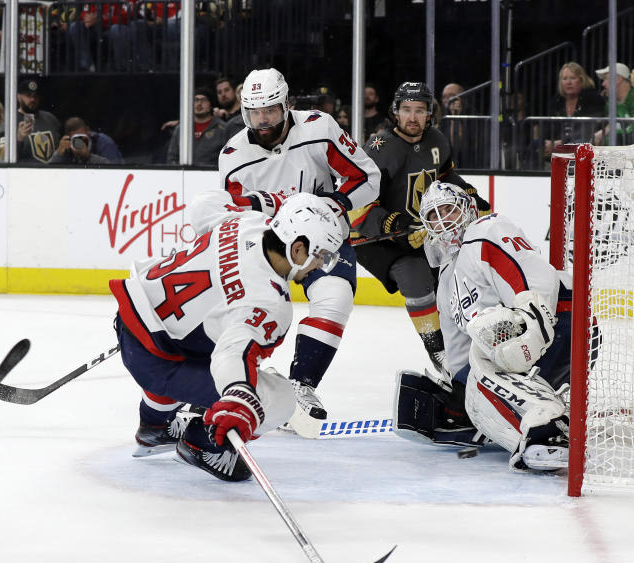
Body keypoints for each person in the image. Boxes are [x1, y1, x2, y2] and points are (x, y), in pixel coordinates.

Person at [112, 191, 346, 481]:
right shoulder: (270, 304)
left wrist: (263, 199)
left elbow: (203, 205)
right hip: (156, 360)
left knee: (202, 335)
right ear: (298, 249)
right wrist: (240, 398)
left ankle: (155, 426)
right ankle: (202, 444)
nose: (319, 265)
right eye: (320, 256)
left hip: (134, 315)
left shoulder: (246, 220)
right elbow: (231, 355)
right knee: (281, 398)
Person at [218, 67, 381, 431]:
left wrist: (335, 204)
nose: (263, 121)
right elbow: (233, 215)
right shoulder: (233, 156)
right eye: (254, 113)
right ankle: (233, 383)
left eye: (271, 110)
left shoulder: (319, 129)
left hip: (321, 239)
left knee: (335, 296)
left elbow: (367, 178)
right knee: (255, 314)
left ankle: (302, 384)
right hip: (265, 246)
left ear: (286, 104)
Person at [403, 181, 572, 472]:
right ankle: (533, 425)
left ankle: (547, 432)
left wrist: (535, 326)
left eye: (448, 209)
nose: (442, 219)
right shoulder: (446, 276)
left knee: (489, 341)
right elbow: (459, 347)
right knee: (476, 381)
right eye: (433, 215)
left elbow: (530, 276)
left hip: (559, 319)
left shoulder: (485, 230)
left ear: (467, 209)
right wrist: (458, 391)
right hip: (519, 343)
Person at [353, 81, 489, 374]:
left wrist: (468, 192)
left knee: (454, 280)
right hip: (378, 238)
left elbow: (446, 175)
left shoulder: (437, 140)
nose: (412, 117)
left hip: (423, 233)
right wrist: (394, 224)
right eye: (406, 110)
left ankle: (461, 345)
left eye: (419, 110)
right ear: (395, 112)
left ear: (430, 113)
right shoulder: (380, 149)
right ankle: (437, 350)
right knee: (416, 279)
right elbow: (359, 207)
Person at [545, 61, 605, 159]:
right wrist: (547, 142)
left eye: (573, 78)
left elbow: (587, 131)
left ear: (581, 80)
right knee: (536, 145)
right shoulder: (556, 100)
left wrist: (560, 143)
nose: (568, 82)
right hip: (558, 144)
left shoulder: (592, 98)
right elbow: (548, 127)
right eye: (565, 79)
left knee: (577, 144)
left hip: (583, 143)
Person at [165, 86, 227, 165]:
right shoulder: (181, 128)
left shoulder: (222, 129)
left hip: (212, 176)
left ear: (211, 105)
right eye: (195, 100)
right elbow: (172, 158)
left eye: (203, 100)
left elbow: (227, 159)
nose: (199, 103)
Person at [593, 63, 634, 146]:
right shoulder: (610, 102)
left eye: (606, 79)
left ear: (618, 79)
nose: (603, 84)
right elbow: (611, 125)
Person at [16, 77, 61, 163]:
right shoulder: (10, 120)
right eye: (28, 96)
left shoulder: (50, 118)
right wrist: (19, 139)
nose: (33, 99)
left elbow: (58, 149)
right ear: (19, 97)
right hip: (23, 173)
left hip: (51, 172)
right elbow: (4, 157)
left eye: (35, 96)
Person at [49, 115, 120, 165]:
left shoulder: (103, 142)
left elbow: (115, 169)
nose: (80, 142)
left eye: (82, 137)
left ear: (88, 131)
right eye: (75, 139)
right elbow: (50, 173)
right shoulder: (66, 147)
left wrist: (88, 156)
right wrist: (59, 154)